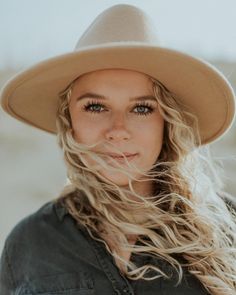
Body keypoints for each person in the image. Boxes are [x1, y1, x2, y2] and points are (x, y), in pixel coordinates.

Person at [0, 4, 236, 295]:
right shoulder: (29, 243)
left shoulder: (228, 227)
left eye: (141, 108)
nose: (118, 130)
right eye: (96, 106)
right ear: (68, 119)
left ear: (167, 121)